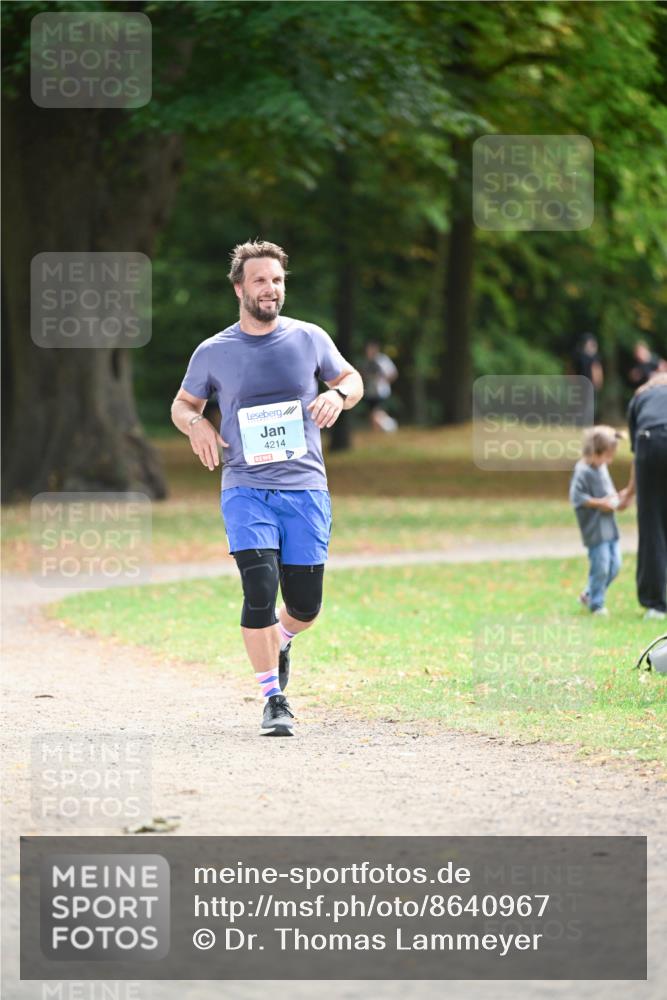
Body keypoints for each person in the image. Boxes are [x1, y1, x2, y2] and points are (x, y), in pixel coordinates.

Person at [171, 240, 363, 735]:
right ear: (239, 287)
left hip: (305, 489)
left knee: (305, 603)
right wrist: (197, 425)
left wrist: (339, 395)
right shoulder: (214, 351)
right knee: (258, 587)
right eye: (259, 280)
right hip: (246, 486)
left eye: (277, 280)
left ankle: (282, 635)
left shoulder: (309, 338)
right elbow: (182, 405)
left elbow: (352, 378)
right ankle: (273, 698)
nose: (270, 289)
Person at [618, 372, 667, 620]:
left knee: (652, 524)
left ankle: (656, 605)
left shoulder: (640, 397)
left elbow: (638, 453)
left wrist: (629, 492)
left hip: (650, 443)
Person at [569, 425, 627, 616]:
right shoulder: (582, 471)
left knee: (615, 565)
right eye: (608, 456)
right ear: (595, 452)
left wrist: (617, 499)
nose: (609, 461)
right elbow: (577, 497)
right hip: (595, 530)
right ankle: (597, 604)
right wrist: (598, 503)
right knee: (600, 565)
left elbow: (607, 490)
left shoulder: (601, 467)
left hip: (609, 527)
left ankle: (588, 593)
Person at [362, 341, 398, 431]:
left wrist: (383, 380)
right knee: (373, 414)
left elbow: (393, 374)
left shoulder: (383, 360)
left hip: (381, 392)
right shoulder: (367, 361)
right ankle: (379, 433)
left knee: (376, 413)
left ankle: (391, 427)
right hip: (370, 392)